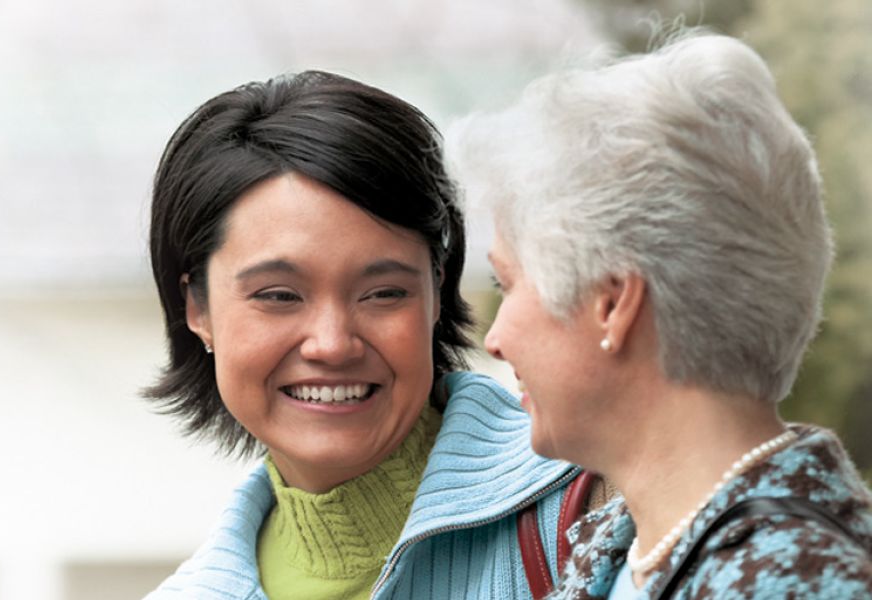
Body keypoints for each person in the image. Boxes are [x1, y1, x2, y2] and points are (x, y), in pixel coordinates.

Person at [449, 32, 872, 599]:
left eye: (509, 283)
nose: (494, 338)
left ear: (612, 303)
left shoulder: (804, 583)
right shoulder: (622, 545)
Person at [143, 71, 593, 599]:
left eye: (382, 294)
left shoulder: (593, 506)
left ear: (435, 291)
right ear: (197, 306)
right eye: (279, 295)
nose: (333, 344)